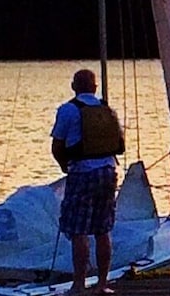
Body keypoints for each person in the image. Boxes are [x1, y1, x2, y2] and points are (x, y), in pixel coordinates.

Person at [50, 69, 124, 293]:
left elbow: (57, 146)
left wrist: (65, 165)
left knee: (79, 230)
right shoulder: (106, 110)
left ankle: (79, 284)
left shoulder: (68, 110)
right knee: (103, 229)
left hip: (82, 173)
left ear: (74, 87)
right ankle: (102, 284)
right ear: (94, 87)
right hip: (108, 172)